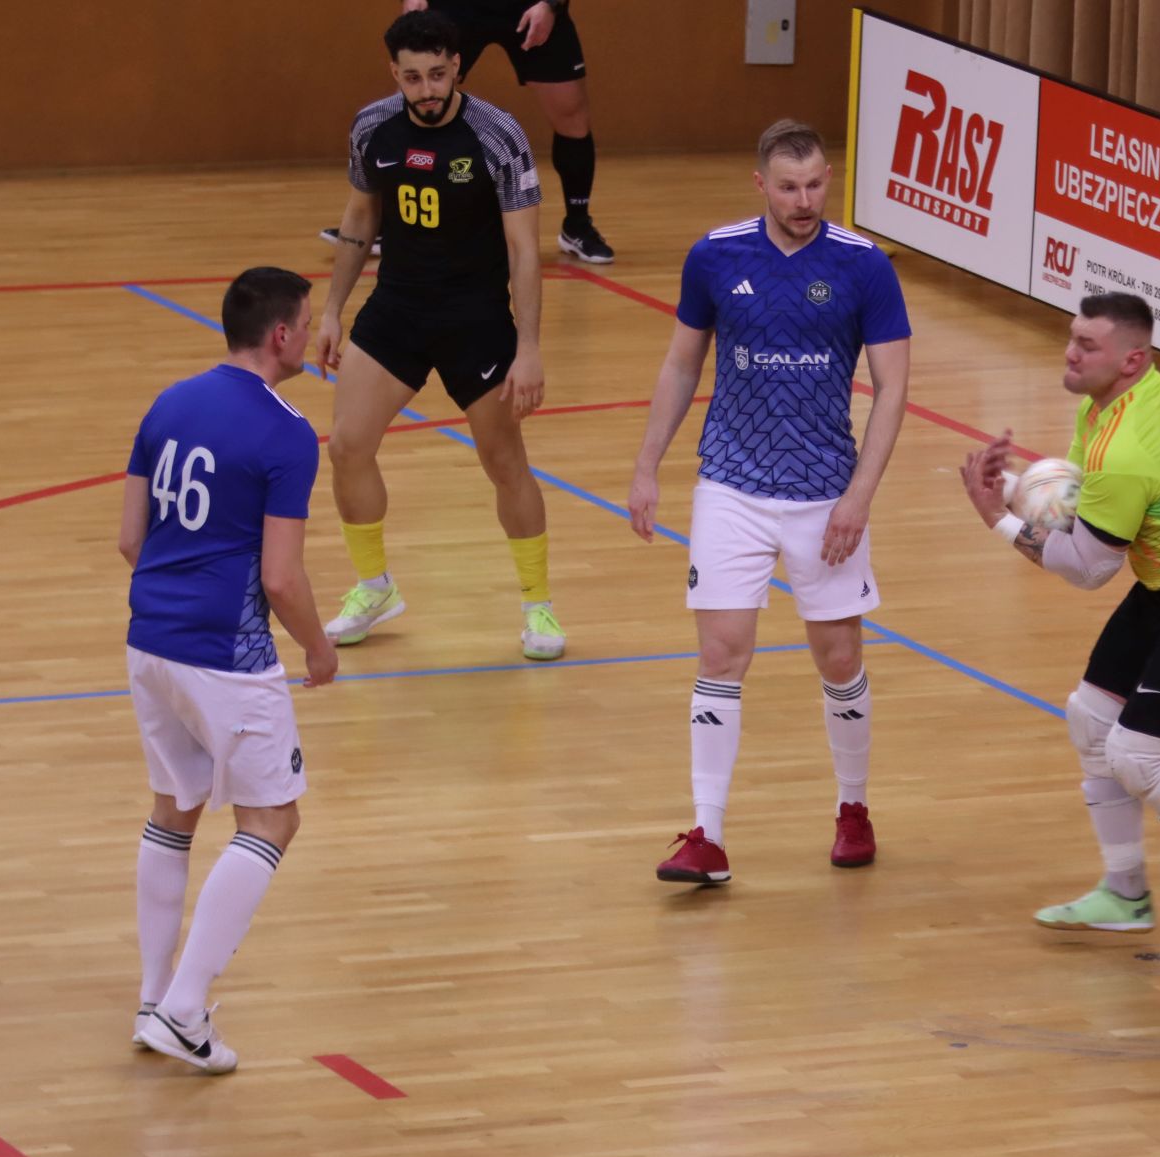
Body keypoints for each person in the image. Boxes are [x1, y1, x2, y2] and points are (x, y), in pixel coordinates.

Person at [957, 293, 1160, 952]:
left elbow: (1087, 568)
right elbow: (1086, 512)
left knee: (1137, 756)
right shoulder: (1108, 407)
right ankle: (1125, 893)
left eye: (1088, 345)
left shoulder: (1129, 445)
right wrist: (1016, 486)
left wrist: (996, 517)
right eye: (1072, 337)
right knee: (1090, 719)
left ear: (1131, 360)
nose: (1070, 353)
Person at [628, 119, 912, 884]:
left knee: (840, 658)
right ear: (761, 184)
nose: (804, 200)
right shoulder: (715, 256)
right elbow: (681, 365)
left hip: (827, 494)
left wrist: (859, 497)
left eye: (816, 184)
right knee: (721, 653)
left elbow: (892, 389)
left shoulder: (864, 265)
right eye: (788, 187)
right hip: (731, 486)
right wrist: (647, 465)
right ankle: (707, 835)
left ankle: (853, 807)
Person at [120, 267, 337, 1074]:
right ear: (280, 335)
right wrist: (317, 646)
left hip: (149, 641)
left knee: (174, 808)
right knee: (271, 821)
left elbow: (131, 538)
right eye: (307, 323)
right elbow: (280, 577)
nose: (313, 336)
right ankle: (184, 1011)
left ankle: (153, 1000)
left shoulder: (169, 403)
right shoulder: (286, 433)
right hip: (226, 654)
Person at [317, 10, 567, 660]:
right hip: (396, 310)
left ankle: (538, 606)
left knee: (504, 463)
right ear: (393, 73)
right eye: (412, 78)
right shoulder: (373, 127)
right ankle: (374, 587)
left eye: (436, 74)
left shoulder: (497, 135)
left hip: (474, 320)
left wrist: (529, 348)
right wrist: (332, 309)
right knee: (346, 446)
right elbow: (360, 216)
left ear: (457, 67)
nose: (426, 90)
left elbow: (524, 250)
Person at [322, 0, 614, 264]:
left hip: (530, 5)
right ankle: (387, 223)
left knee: (571, 114)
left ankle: (577, 224)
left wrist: (550, 5)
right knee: (417, 101)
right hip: (459, 5)